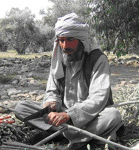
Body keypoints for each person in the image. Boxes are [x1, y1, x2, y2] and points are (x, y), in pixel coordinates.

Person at [15, 13, 122, 148]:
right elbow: (52, 91)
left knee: (113, 115)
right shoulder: (59, 58)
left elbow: (98, 98)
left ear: (81, 39)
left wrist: (69, 115)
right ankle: (79, 136)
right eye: (61, 40)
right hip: (61, 117)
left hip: (90, 116)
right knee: (22, 107)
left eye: (70, 39)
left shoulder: (97, 59)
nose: (65, 46)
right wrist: (51, 102)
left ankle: (59, 135)